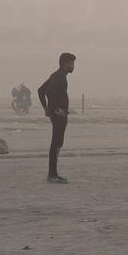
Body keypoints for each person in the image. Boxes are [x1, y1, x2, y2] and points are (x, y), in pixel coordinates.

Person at [38, 52, 75, 184]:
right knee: (56, 144)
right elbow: (47, 92)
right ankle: (52, 175)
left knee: (58, 143)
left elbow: (40, 90)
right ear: (65, 63)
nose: (73, 66)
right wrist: (55, 109)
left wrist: (47, 108)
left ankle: (53, 174)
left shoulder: (57, 75)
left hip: (59, 115)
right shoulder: (59, 76)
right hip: (58, 116)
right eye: (72, 63)